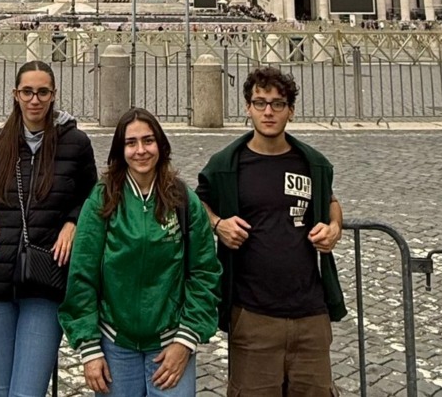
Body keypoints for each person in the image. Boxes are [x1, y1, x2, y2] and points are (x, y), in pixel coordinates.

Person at [196, 66, 346, 397]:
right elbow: (197, 205)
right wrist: (218, 224)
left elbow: (331, 200)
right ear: (247, 108)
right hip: (253, 315)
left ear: (290, 110)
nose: (268, 111)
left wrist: (334, 226)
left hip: (311, 313)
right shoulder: (226, 164)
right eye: (260, 102)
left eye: (277, 104)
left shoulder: (312, 162)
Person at [60, 108, 221, 396]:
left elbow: (204, 272)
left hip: (171, 345)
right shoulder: (102, 198)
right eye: (131, 143)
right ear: (120, 150)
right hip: (115, 347)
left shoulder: (184, 200)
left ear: (160, 145)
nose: (140, 150)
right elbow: (82, 273)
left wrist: (185, 341)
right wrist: (89, 348)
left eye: (148, 141)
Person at [0, 60, 97, 397]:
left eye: (42, 92)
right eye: (28, 92)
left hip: (46, 278)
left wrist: (73, 222)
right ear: (15, 94)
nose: (35, 99)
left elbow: (92, 198)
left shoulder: (76, 143)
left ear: (53, 96)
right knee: (0, 388)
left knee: (26, 392)